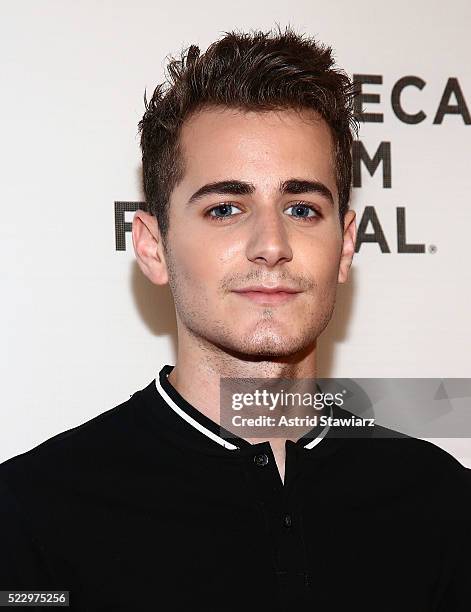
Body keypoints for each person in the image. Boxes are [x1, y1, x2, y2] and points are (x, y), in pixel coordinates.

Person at [0, 25, 470, 612]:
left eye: (302, 208)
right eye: (225, 208)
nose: (271, 244)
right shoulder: (33, 513)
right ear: (153, 247)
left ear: (345, 246)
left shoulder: (442, 502)